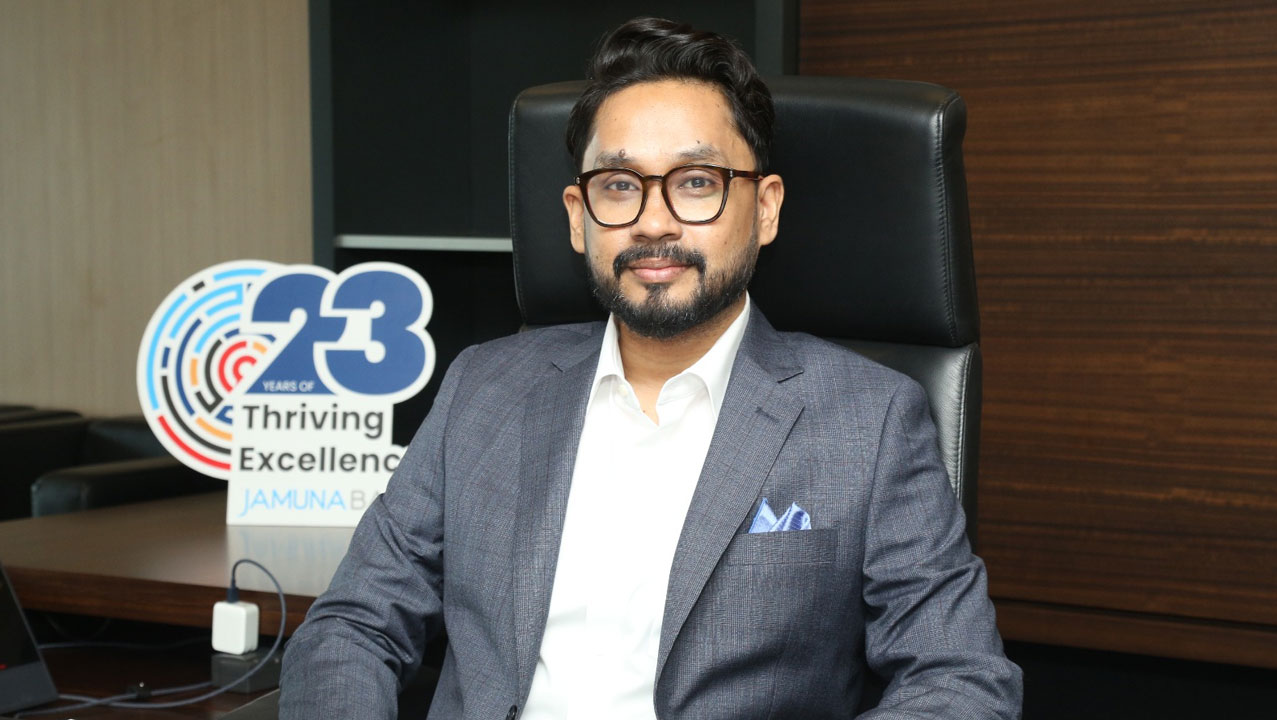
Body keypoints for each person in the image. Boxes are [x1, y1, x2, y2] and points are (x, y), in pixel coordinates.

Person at [280, 16, 1022, 720]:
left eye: (696, 181)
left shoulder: (869, 420)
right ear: (578, 217)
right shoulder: (484, 386)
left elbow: (959, 678)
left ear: (765, 208)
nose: (653, 220)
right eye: (618, 185)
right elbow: (354, 623)